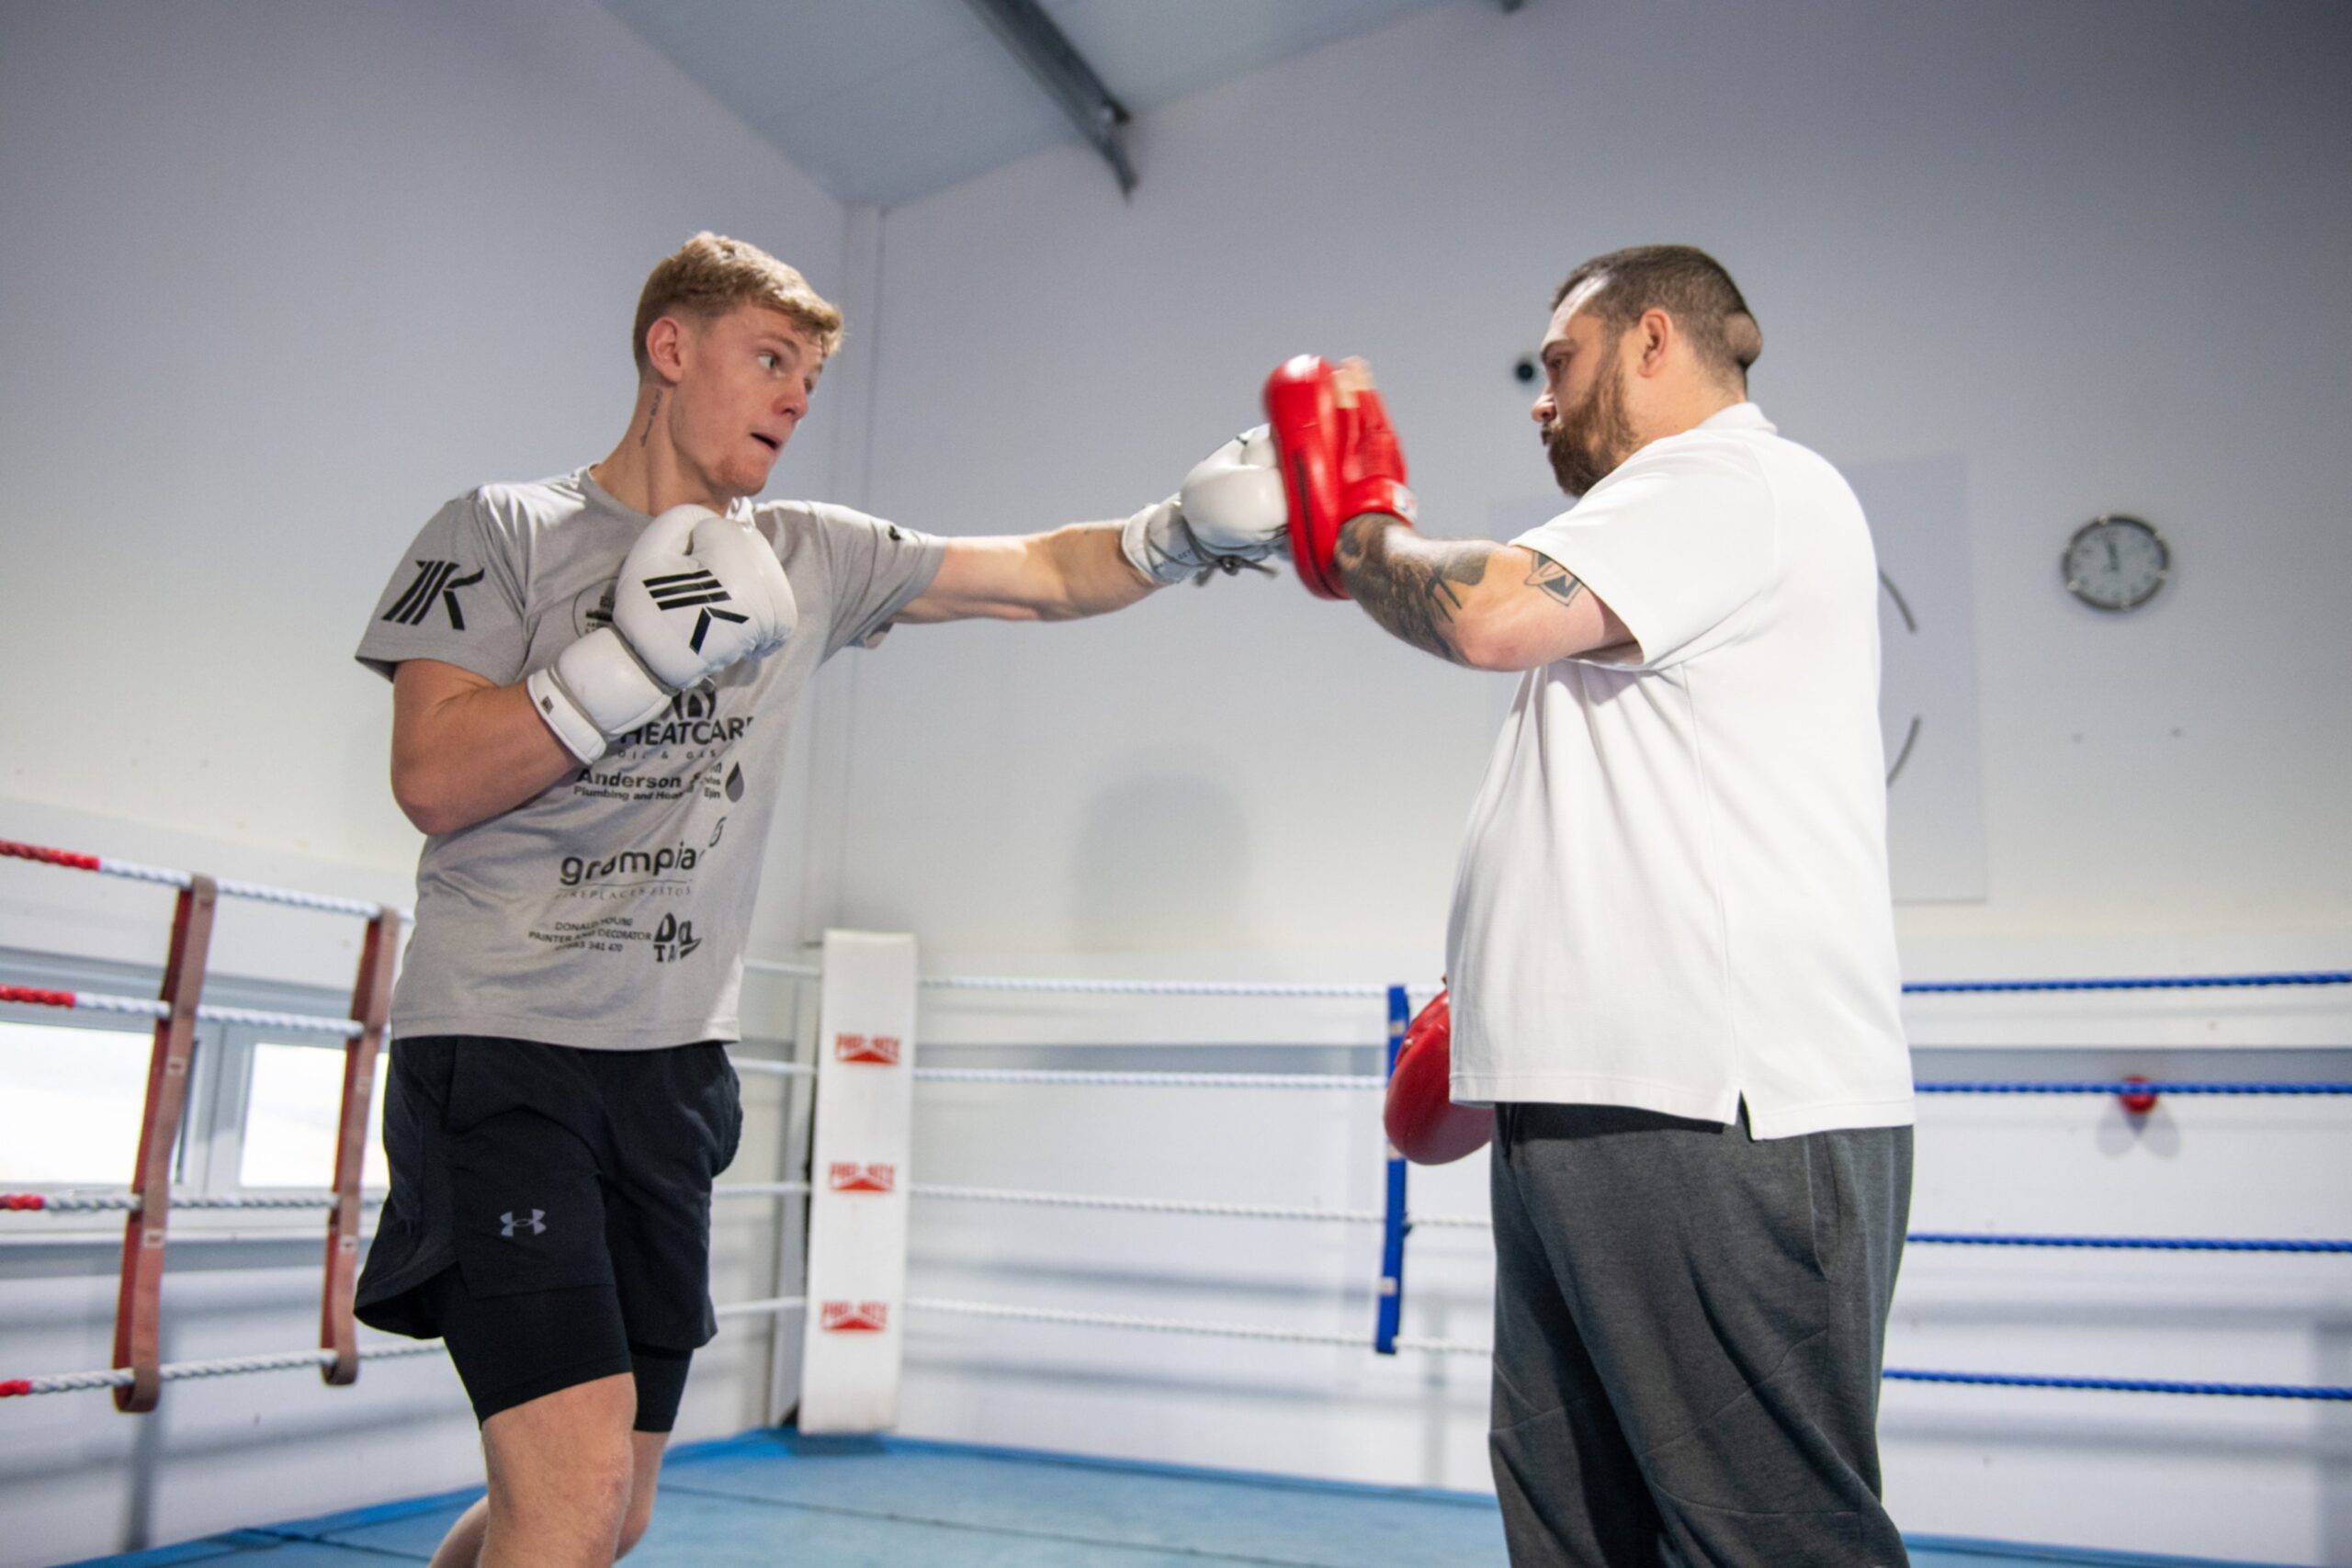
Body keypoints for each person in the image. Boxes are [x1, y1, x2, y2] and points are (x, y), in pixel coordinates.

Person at [353, 231, 1285, 1568]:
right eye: (772, 359)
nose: (798, 397)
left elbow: (1032, 575)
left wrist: (1181, 534)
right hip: (504, 1053)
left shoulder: (811, 554)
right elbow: (433, 776)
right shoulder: (500, 528)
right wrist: (628, 663)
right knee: (559, 1512)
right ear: (670, 351)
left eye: (813, 375)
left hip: (669, 1070)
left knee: (600, 1515)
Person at [1274, 245, 1915, 1565]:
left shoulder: (1736, 479)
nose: (1539, 398)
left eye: (1558, 362)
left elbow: (1495, 617)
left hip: (1708, 1105)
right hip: (1598, 1106)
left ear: (1654, 340)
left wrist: (1360, 527)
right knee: (1578, 1532)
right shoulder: (1679, 535)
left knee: (1769, 1539)